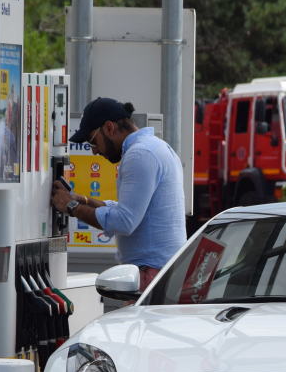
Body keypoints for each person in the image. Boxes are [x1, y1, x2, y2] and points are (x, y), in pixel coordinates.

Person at [51, 97, 186, 291]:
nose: (95, 152)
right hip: (162, 271)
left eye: (92, 141)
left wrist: (71, 207)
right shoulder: (157, 147)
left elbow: (124, 221)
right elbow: (129, 211)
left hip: (150, 274)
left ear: (109, 128)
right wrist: (84, 200)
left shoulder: (139, 155)